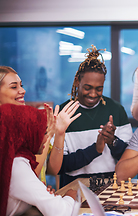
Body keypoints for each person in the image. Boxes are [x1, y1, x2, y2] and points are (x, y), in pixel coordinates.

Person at [47, 46, 133, 188]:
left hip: (111, 188)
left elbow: (128, 158)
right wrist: (95, 150)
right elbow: (59, 166)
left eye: (99, 89)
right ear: (77, 83)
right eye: (87, 88)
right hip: (73, 190)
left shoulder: (116, 110)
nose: (93, 94)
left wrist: (113, 141)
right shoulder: (63, 113)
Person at [0, 66, 80, 184]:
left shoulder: (26, 124)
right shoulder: (5, 132)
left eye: (21, 85)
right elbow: (29, 177)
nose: (23, 91)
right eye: (14, 87)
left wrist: (59, 133)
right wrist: (48, 134)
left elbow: (53, 170)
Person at [0, 104, 77, 216]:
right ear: (27, 134)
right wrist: (71, 197)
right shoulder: (17, 165)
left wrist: (39, 192)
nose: (47, 138)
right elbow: (58, 211)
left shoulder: (16, 159)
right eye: (44, 132)